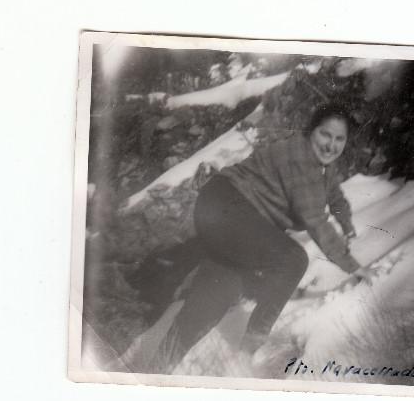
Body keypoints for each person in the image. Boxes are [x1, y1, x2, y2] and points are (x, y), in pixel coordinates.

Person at [126, 104, 371, 372]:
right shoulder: (300, 160)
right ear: (312, 131)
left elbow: (333, 195)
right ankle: (252, 347)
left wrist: (347, 225)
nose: (331, 145)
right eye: (325, 134)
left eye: (339, 139)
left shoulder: (322, 166)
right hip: (231, 208)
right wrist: (353, 266)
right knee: (293, 260)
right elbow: (316, 221)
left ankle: (156, 370)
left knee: (216, 295)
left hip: (227, 215)